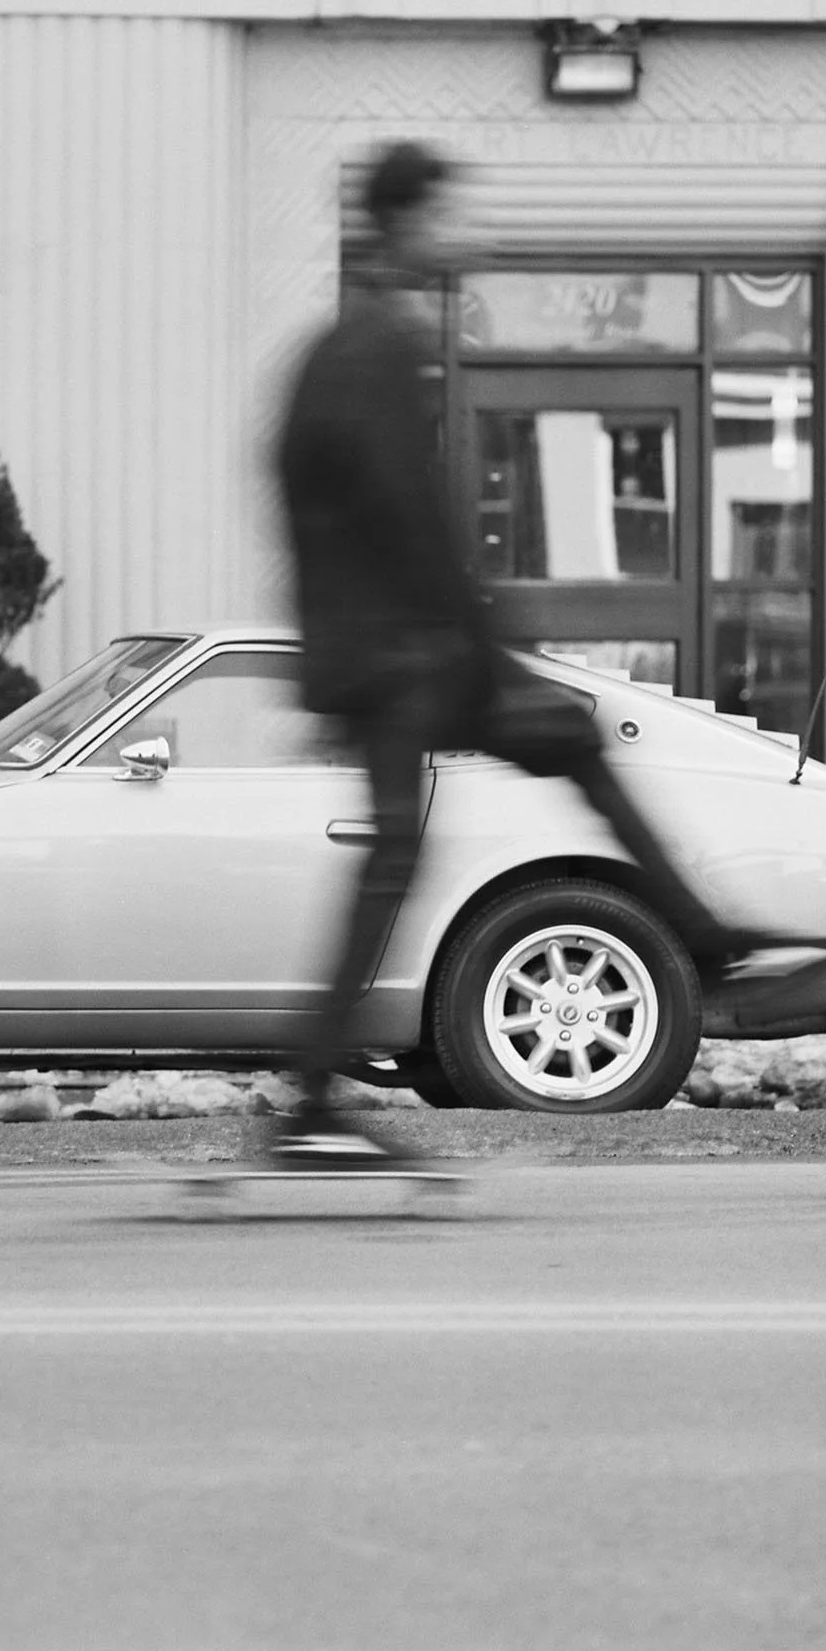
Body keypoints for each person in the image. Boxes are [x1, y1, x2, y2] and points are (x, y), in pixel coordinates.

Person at [271, 142, 768, 1164]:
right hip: (402, 658)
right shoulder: (373, 347)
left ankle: (312, 1090)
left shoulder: (340, 345)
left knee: (399, 852)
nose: (469, 232)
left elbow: (301, 490)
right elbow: (409, 515)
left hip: (376, 654)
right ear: (406, 221)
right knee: (560, 750)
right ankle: (706, 940)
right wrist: (490, 653)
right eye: (449, 213)